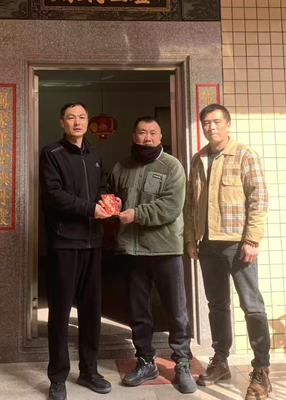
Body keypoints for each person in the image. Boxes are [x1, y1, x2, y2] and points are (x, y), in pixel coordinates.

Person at [184, 104, 272, 400]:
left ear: (228, 124)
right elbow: (191, 204)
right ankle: (220, 360)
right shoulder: (198, 159)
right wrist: (191, 238)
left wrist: (252, 240)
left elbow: (259, 199)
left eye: (217, 122)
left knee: (252, 305)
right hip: (207, 243)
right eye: (206, 123)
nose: (211, 127)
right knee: (217, 305)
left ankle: (261, 370)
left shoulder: (245, 155)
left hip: (238, 244)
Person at [105, 116, 197, 394]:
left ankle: (182, 362)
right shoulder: (122, 166)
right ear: (134, 136)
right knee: (138, 311)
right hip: (132, 250)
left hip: (165, 249)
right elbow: (111, 195)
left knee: (176, 310)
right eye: (142, 133)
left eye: (153, 133)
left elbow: (171, 207)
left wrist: (136, 214)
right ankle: (145, 361)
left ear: (160, 137)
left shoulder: (172, 166)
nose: (147, 138)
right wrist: (113, 203)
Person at [39, 102, 113, 400]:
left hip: (93, 242)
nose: (77, 122)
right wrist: (90, 209)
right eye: (71, 117)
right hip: (64, 242)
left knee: (92, 310)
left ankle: (89, 370)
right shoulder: (52, 153)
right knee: (60, 311)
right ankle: (58, 377)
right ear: (62, 123)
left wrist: (109, 203)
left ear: (88, 121)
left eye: (82, 117)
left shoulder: (95, 154)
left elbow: (101, 188)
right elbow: (54, 195)